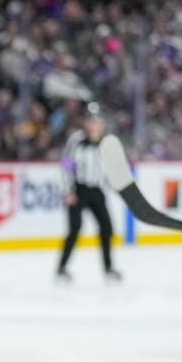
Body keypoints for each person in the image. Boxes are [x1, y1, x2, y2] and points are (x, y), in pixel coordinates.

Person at [56, 102, 120, 282]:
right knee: (74, 229)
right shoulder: (76, 141)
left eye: (99, 122)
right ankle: (61, 268)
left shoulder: (108, 142)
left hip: (97, 191)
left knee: (106, 228)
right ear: (86, 123)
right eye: (92, 121)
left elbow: (111, 169)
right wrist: (67, 191)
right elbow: (66, 166)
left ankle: (108, 269)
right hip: (78, 190)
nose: (96, 125)